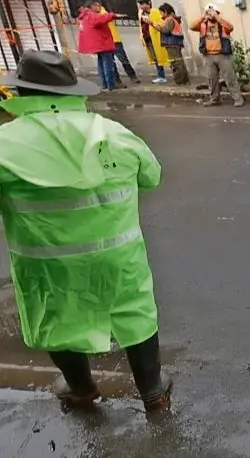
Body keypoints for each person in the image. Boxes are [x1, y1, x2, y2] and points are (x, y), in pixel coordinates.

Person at [0, 51, 172, 413]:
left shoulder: (6, 144)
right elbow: (151, 176)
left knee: (54, 317)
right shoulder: (114, 134)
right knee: (135, 313)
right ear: (73, 92)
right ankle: (153, 392)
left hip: (46, 265)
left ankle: (81, 389)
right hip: (118, 257)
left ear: (21, 93)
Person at [190, 4, 243, 107]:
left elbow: (230, 27)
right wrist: (203, 16)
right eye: (209, 13)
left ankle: (238, 98)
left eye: (213, 13)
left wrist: (217, 18)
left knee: (230, 77)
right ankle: (214, 99)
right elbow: (191, 26)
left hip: (222, 55)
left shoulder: (222, 24)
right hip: (208, 55)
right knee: (212, 79)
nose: (211, 15)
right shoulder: (203, 25)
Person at [76, 1, 123, 91]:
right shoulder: (91, 15)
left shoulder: (85, 16)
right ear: (92, 6)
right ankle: (110, 85)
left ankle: (105, 85)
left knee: (101, 64)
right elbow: (101, 19)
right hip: (103, 43)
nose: (100, 8)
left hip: (98, 44)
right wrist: (113, 15)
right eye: (98, 6)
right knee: (108, 65)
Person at [100, 3, 140, 86]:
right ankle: (126, 77)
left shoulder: (103, 14)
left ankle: (126, 77)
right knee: (115, 62)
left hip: (114, 40)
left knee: (119, 60)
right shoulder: (101, 15)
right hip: (110, 41)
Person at [155, 3, 190, 85]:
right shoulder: (173, 19)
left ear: (166, 12)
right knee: (179, 62)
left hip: (172, 43)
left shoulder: (169, 19)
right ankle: (185, 80)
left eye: (161, 12)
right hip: (176, 43)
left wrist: (156, 26)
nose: (161, 14)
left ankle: (179, 80)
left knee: (175, 63)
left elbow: (166, 30)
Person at [137, 0, 169, 84]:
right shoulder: (141, 14)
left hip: (156, 38)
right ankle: (160, 75)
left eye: (142, 4)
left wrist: (151, 22)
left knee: (161, 56)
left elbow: (161, 23)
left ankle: (162, 76)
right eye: (140, 4)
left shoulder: (155, 12)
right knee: (155, 58)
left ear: (148, 4)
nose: (141, 6)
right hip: (148, 39)